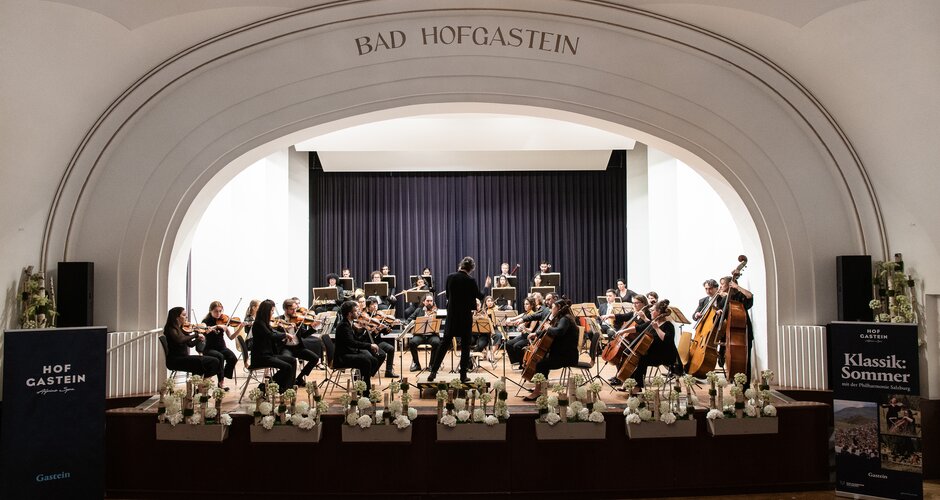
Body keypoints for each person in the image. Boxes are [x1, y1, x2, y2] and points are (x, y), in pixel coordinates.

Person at [428, 257, 491, 383]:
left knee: (444, 344)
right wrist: (486, 286)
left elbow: (448, 296)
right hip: (465, 317)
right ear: (471, 269)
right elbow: (480, 296)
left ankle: (433, 372)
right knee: (466, 346)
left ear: (460, 265)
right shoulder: (471, 280)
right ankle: (463, 375)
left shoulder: (450, 277)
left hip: (452, 315)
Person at [522, 298, 580, 401]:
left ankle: (538, 391)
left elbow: (559, 331)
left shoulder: (565, 319)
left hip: (567, 356)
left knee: (540, 364)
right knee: (542, 361)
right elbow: (549, 333)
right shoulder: (561, 318)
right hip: (560, 353)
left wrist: (548, 327)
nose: (551, 310)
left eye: (553, 308)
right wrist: (536, 334)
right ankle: (540, 387)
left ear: (558, 308)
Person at [620, 299, 682, 391]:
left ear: (659, 312)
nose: (650, 312)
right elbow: (637, 328)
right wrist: (623, 331)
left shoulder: (668, 325)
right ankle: (630, 381)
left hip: (665, 355)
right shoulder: (652, 322)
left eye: (652, 310)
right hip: (654, 352)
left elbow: (666, 340)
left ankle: (637, 386)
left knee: (642, 359)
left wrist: (657, 328)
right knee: (637, 357)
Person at [601, 294, 650, 385]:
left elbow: (648, 325)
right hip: (631, 341)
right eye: (633, 303)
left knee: (625, 354)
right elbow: (622, 316)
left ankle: (625, 378)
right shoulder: (634, 313)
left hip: (640, 342)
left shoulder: (647, 314)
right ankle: (621, 377)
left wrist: (644, 317)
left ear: (643, 304)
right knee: (620, 354)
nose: (634, 305)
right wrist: (608, 316)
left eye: (637, 303)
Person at [249, 299, 297, 391]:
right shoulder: (258, 323)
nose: (273, 313)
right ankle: (269, 386)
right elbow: (270, 335)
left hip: (268, 355)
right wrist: (285, 334)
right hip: (261, 357)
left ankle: (287, 388)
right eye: (271, 311)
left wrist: (283, 331)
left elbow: (273, 331)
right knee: (287, 367)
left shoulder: (264, 323)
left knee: (293, 360)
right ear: (266, 311)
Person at [714, 274, 754, 383]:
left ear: (730, 284)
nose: (720, 286)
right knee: (732, 360)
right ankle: (734, 381)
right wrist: (718, 313)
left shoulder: (740, 296)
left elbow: (750, 296)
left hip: (743, 333)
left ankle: (745, 386)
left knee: (745, 361)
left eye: (722, 284)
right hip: (730, 334)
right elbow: (718, 317)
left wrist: (737, 287)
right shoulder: (724, 299)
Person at [333, 300, 381, 390]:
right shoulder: (344, 326)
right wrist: (370, 346)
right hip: (342, 357)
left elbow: (356, 340)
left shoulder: (348, 323)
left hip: (348, 352)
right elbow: (352, 343)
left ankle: (362, 385)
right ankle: (365, 391)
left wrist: (367, 331)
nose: (358, 312)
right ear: (349, 313)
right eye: (355, 310)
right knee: (366, 361)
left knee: (373, 360)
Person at [161, 307, 221, 378]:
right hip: (176, 360)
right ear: (176, 317)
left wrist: (201, 335)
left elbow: (190, 344)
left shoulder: (182, 329)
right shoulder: (170, 329)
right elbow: (180, 340)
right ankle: (203, 384)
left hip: (184, 358)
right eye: (183, 315)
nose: (186, 317)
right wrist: (195, 335)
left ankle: (199, 385)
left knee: (207, 363)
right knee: (213, 361)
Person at [276, 299, 320, 386]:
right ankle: (286, 383)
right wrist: (284, 332)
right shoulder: (278, 321)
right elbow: (275, 338)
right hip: (286, 348)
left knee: (315, 358)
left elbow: (304, 335)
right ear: (285, 309)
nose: (295, 311)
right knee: (288, 362)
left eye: (296, 309)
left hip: (298, 347)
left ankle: (299, 378)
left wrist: (313, 328)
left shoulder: (297, 320)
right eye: (292, 309)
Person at [506, 293, 556, 367]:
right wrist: (516, 321)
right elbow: (524, 316)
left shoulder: (535, 312)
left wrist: (524, 328)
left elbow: (531, 329)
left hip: (531, 335)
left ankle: (522, 363)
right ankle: (517, 361)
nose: (525, 306)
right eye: (524, 304)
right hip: (528, 334)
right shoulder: (544, 310)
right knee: (509, 343)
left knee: (517, 346)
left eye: (527, 304)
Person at [200, 301, 238, 390]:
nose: (219, 313)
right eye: (216, 311)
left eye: (220, 311)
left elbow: (231, 337)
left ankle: (222, 376)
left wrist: (240, 327)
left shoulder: (223, 321)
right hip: (209, 348)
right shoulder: (205, 322)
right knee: (220, 357)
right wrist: (216, 327)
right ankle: (221, 383)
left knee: (233, 358)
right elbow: (204, 331)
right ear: (211, 311)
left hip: (222, 347)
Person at [362, 297, 398, 377]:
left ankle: (388, 371)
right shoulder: (365, 317)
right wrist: (377, 328)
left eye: (376, 304)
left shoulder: (380, 315)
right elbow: (367, 334)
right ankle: (370, 372)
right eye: (372, 304)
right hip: (368, 342)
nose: (375, 306)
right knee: (381, 354)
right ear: (368, 307)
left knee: (391, 348)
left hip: (377, 341)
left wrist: (387, 328)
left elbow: (384, 333)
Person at [406, 293, 441, 371]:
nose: (429, 302)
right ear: (424, 302)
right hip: (420, 335)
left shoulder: (437, 311)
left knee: (437, 342)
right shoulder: (419, 310)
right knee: (412, 343)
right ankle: (417, 364)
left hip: (432, 335)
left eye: (431, 301)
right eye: (427, 301)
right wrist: (415, 322)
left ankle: (432, 365)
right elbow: (408, 320)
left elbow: (443, 321)